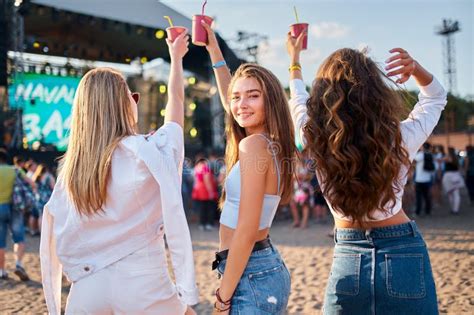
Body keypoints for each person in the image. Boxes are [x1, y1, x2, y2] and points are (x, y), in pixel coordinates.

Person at [287, 32, 446, 314]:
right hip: (403, 249)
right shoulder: (399, 136)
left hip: (349, 254)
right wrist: (416, 69)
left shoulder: (312, 136)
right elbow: (435, 98)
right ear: (376, 93)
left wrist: (294, 60)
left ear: (322, 96)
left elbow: (297, 99)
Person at [40, 32, 198, 314]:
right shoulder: (145, 153)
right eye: (131, 95)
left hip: (86, 287)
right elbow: (174, 110)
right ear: (122, 104)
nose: (135, 100)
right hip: (143, 279)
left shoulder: (70, 169)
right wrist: (175, 60)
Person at [202, 21, 296, 314]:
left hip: (249, 271)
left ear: (271, 100)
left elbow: (245, 230)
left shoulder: (254, 146)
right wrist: (214, 49)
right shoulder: (273, 143)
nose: (241, 104)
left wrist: (222, 297)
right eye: (237, 97)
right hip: (260, 266)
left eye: (253, 95)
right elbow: (234, 101)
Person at [0, 148, 30, 281]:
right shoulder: (16, 170)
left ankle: (2, 271)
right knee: (19, 238)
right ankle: (18, 264)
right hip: (15, 208)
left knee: (0, 242)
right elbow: (32, 184)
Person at [192, 153, 218, 231]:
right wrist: (210, 192)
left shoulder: (196, 167)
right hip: (205, 190)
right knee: (209, 208)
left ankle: (202, 223)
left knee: (201, 208)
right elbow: (207, 180)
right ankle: (208, 223)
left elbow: (195, 179)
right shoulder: (205, 168)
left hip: (198, 189)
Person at [442, 147, 465, 214]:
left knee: (450, 193)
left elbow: (441, 160)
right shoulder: (456, 158)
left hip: (448, 176)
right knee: (456, 193)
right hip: (456, 175)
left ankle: (454, 209)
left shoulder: (448, 157)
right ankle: (455, 209)